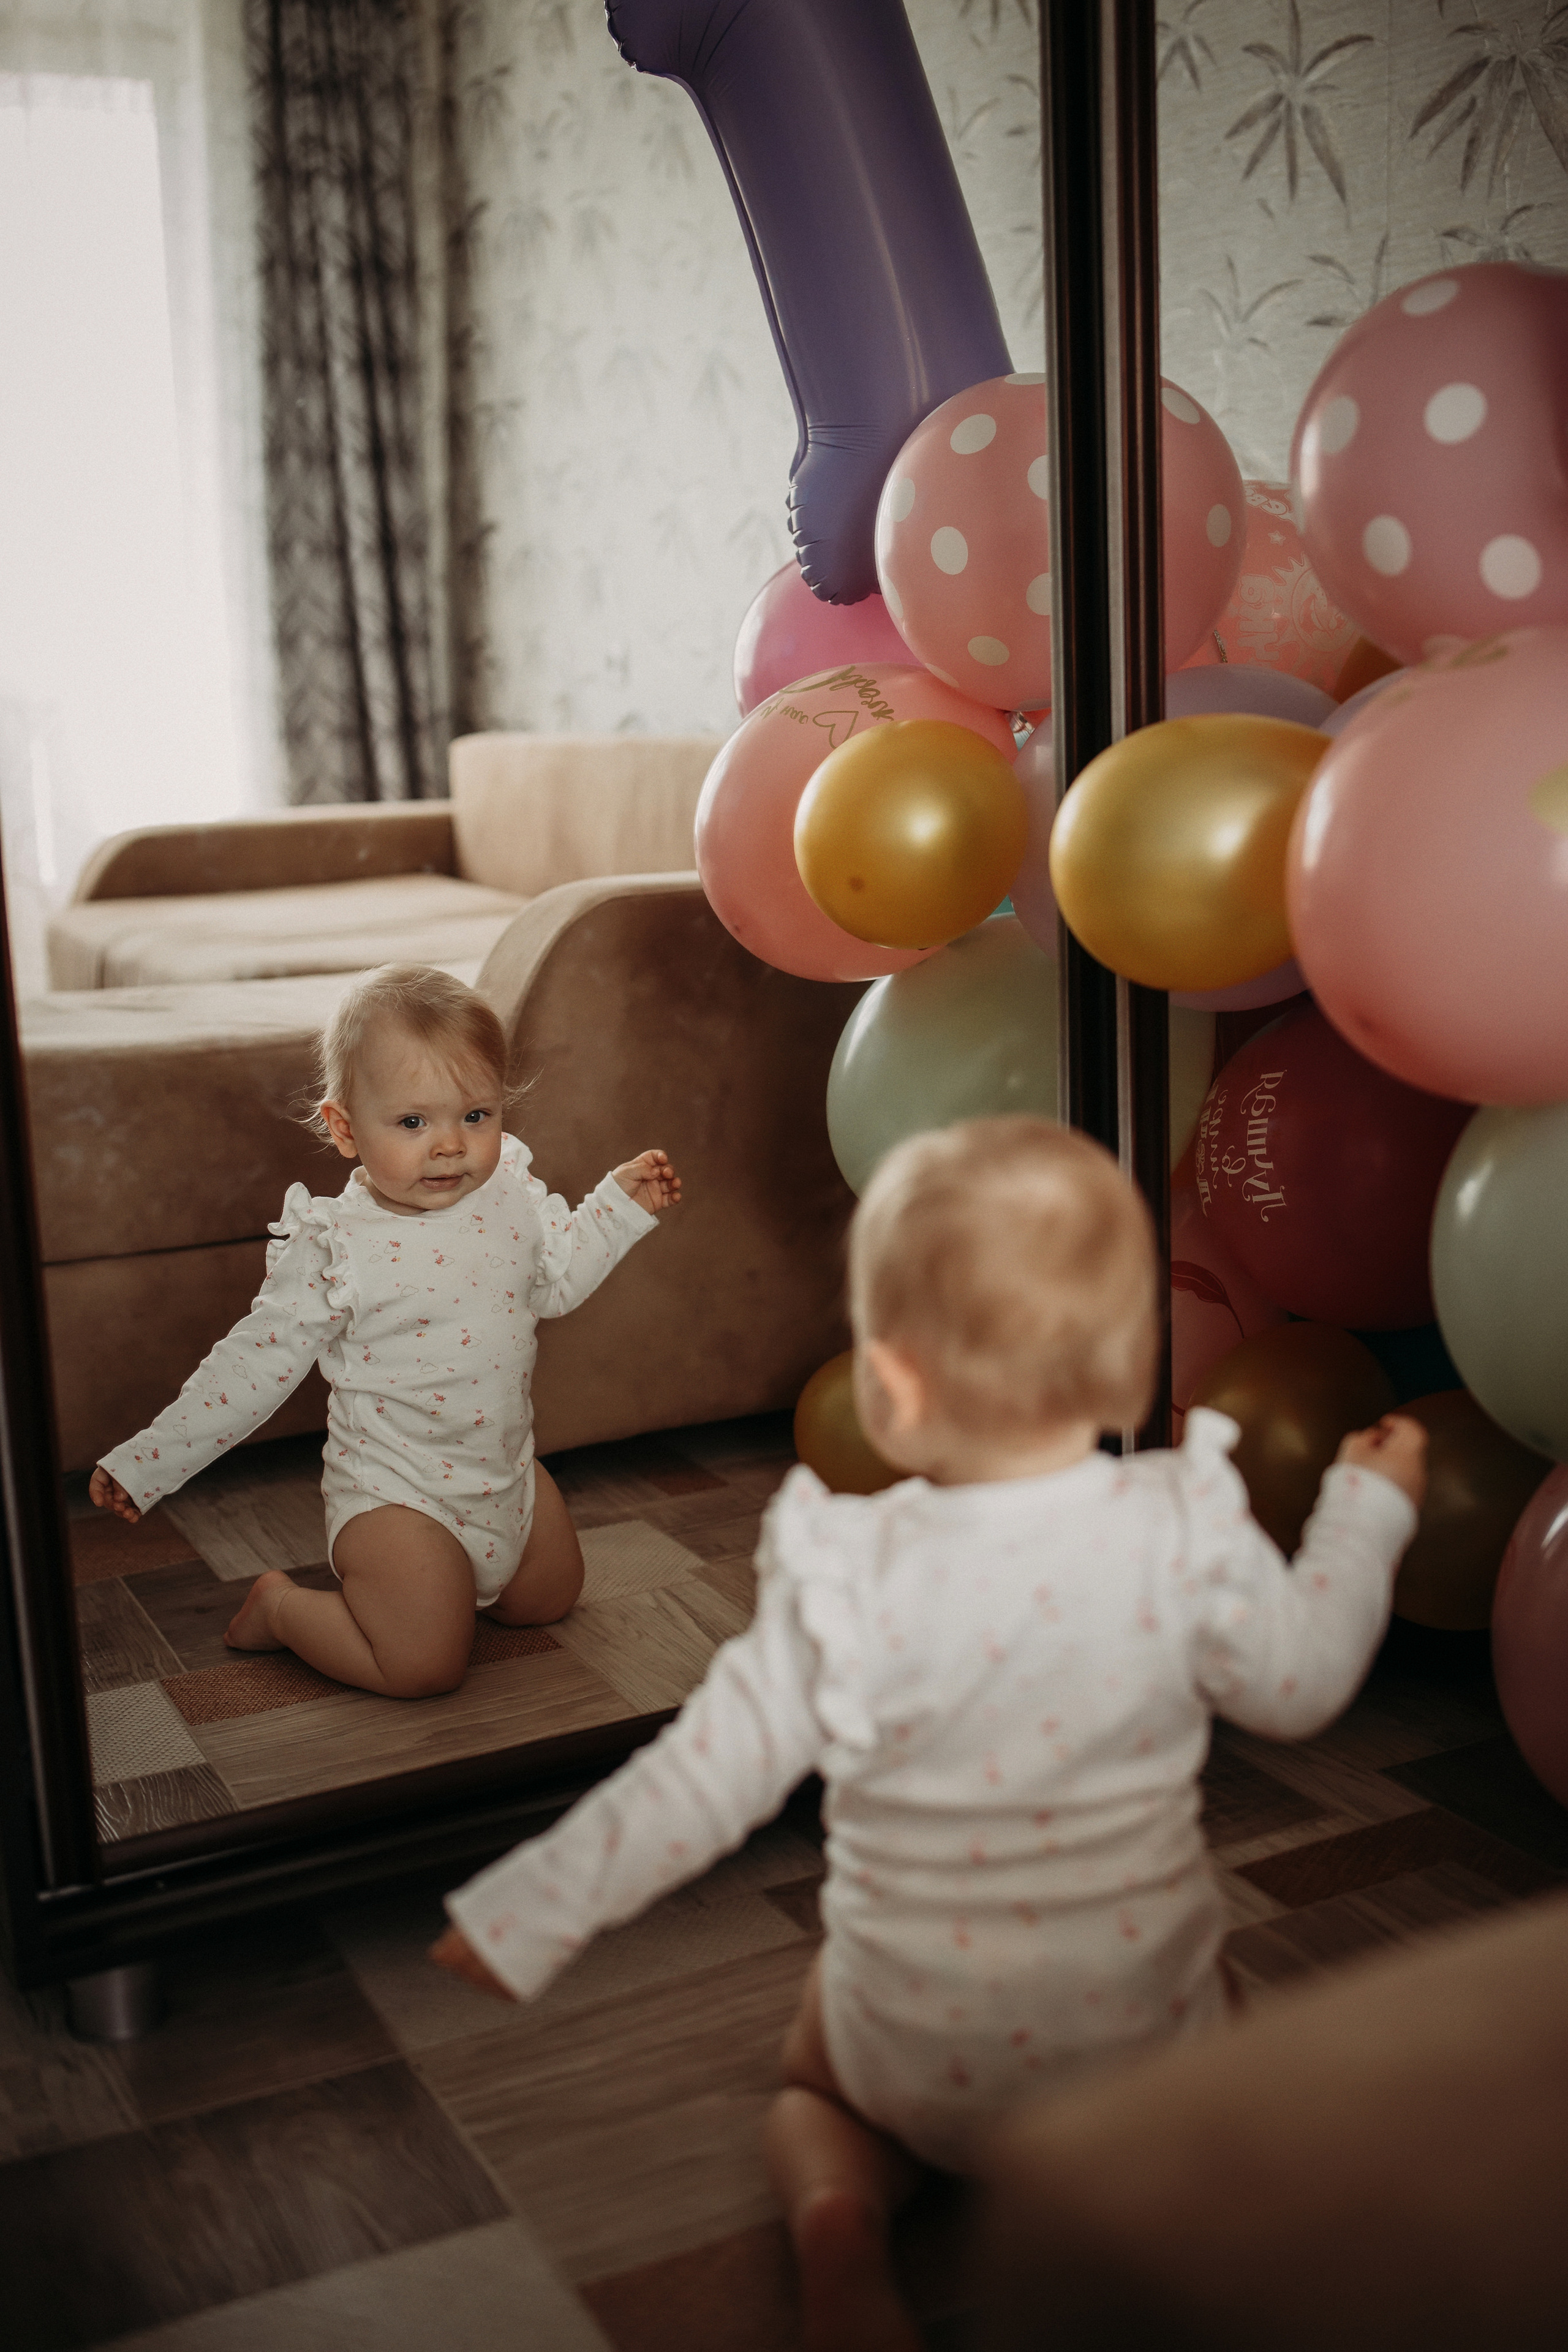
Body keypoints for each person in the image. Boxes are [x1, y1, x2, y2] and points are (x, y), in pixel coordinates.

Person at [430, 1115, 1425, 2352]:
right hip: (1129, 2039)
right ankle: (1200, 2205)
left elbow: (709, 1772)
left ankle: (841, 2234)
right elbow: (1302, 1684)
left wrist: (531, 1910)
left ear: (890, 1389)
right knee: (1220, 1991)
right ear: (1131, 1371)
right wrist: (1363, 1515)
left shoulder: (848, 1573)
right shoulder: (1185, 1531)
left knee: (812, 2086)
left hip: (916, 2045)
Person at [90, 963, 680, 1698]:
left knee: (546, 1601)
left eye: (476, 1116)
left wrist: (616, 1210)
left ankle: (463, 1578)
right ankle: (282, 1607)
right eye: (411, 1122)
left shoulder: (508, 1198)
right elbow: (251, 1369)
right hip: (397, 1494)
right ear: (345, 1128)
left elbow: (555, 1281)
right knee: (422, 1668)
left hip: (503, 1475)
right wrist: (150, 1463)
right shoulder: (338, 1247)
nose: (450, 1145)